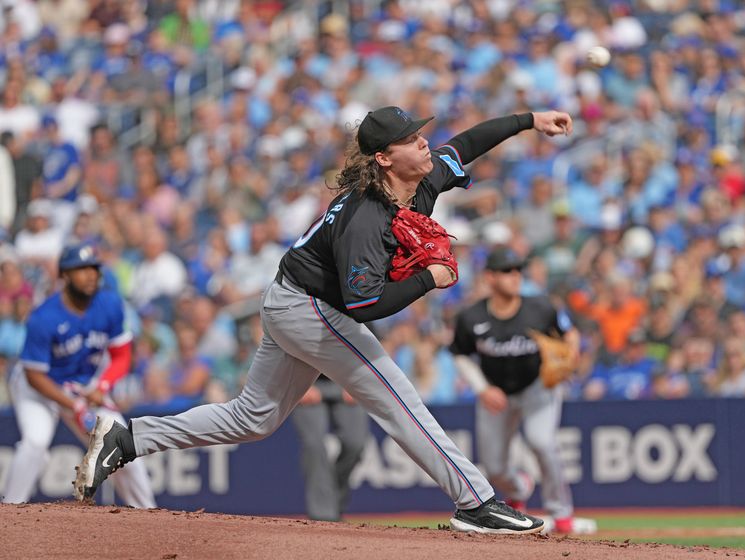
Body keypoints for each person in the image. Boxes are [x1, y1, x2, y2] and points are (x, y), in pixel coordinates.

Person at [74, 105, 573, 534]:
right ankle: (477, 503)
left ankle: (129, 438)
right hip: (310, 307)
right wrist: (429, 279)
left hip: (293, 301)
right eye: (411, 139)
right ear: (384, 158)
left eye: (420, 135)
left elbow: (466, 143)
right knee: (396, 397)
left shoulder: (420, 176)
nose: (425, 143)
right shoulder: (365, 217)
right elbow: (364, 306)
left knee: (254, 417)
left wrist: (530, 120)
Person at [450, 246, 596, 535]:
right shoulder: (471, 317)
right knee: (494, 468)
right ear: (490, 277)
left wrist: (573, 349)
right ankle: (520, 487)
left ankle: (561, 513)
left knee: (541, 442)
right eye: (507, 271)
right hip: (496, 395)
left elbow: (569, 333)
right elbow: (460, 353)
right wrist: (482, 388)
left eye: (518, 270)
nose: (515, 276)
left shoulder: (540, 307)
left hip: (537, 388)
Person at [2, 243, 155, 508]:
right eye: (80, 269)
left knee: (122, 444)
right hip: (38, 390)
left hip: (82, 387)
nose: (90, 275)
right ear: (64, 275)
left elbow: (122, 355)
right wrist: (75, 406)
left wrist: (102, 385)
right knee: (35, 442)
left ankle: (150, 515)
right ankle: (10, 511)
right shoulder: (44, 316)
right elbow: (33, 376)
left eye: (93, 268)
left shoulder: (109, 305)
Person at [291, 376, 369, 521]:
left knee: (355, 443)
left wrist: (359, 382)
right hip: (306, 380)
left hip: (345, 379)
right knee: (314, 445)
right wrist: (295, 383)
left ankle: (333, 502)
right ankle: (323, 516)